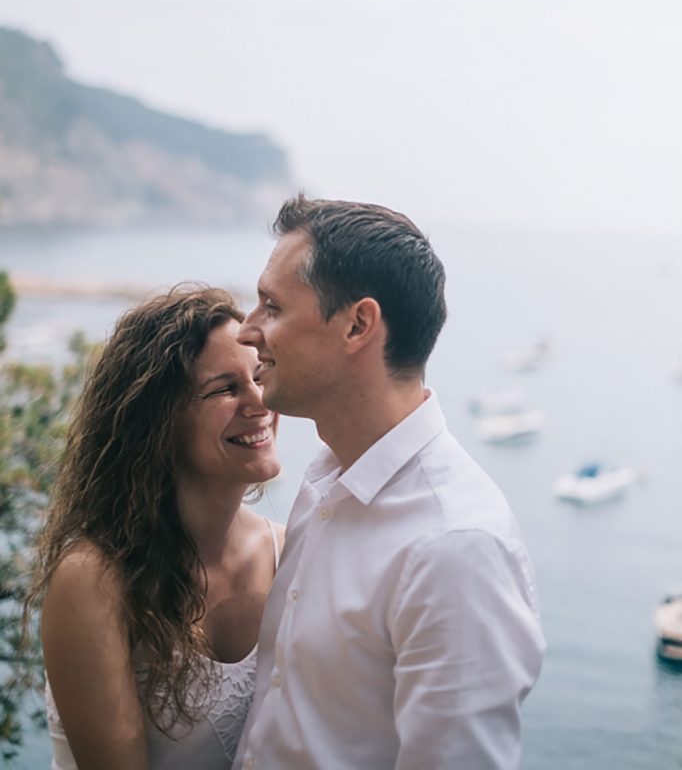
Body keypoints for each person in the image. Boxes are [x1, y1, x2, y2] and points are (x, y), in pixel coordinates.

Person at [234, 195, 545, 770]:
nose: (248, 330)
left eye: (271, 307)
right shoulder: (327, 478)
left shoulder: (455, 546)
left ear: (357, 325)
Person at [24, 285, 284, 770]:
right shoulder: (95, 578)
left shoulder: (285, 551)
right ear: (159, 421)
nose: (259, 402)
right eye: (226, 389)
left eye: (259, 376)